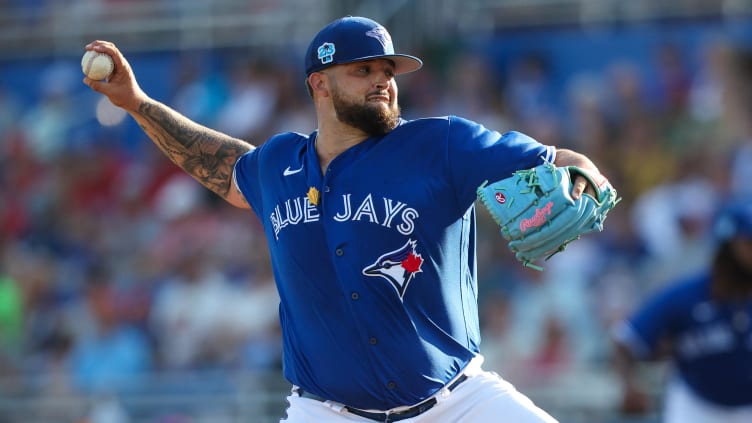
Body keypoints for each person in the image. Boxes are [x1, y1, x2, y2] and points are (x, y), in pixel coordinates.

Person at [83, 15, 611, 423]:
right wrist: (136, 102)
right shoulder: (278, 164)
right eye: (363, 71)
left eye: (387, 71)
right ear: (320, 84)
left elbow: (556, 159)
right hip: (326, 410)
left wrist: (585, 174)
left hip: (456, 403)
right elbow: (221, 165)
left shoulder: (440, 143)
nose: (382, 81)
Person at [611, 198, 752, 423]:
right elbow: (627, 340)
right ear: (728, 246)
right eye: (748, 242)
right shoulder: (688, 296)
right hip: (697, 408)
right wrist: (630, 386)